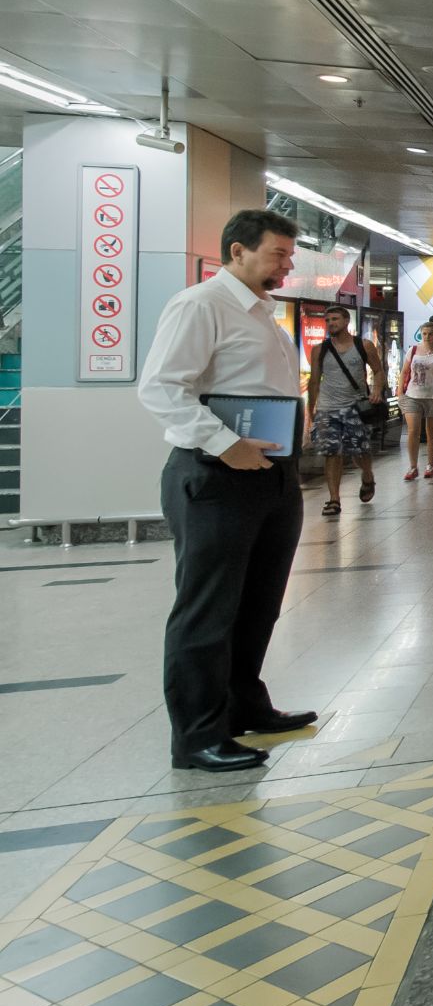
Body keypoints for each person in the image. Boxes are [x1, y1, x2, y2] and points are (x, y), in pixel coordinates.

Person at [137, 208, 317, 773]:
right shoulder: (200, 306)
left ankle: (244, 706)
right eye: (277, 255)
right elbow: (161, 388)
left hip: (273, 478)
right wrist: (224, 445)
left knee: (258, 603)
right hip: (216, 477)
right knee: (208, 609)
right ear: (236, 251)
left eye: (289, 256)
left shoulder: (263, 312)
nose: (286, 265)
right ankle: (195, 736)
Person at [305, 305, 383, 517]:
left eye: (335, 319)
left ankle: (367, 475)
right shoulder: (320, 350)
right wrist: (311, 411)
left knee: (360, 450)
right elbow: (314, 382)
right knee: (332, 453)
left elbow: (378, 370)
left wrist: (376, 389)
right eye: (328, 320)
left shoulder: (363, 346)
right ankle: (334, 499)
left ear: (346, 321)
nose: (331, 323)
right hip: (327, 409)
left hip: (354, 407)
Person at [399, 320, 433, 480]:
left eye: (430, 334)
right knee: (413, 431)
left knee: (432, 432)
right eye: (424, 333)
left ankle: (430, 464)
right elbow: (404, 371)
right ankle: (413, 466)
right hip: (413, 395)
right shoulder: (413, 350)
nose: (427, 337)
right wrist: (400, 390)